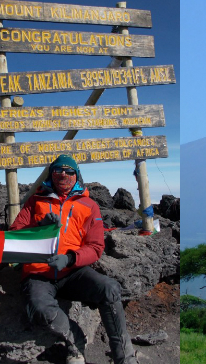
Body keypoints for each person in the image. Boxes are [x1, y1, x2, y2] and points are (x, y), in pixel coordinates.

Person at [8, 154, 137, 364]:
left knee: (110, 289)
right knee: (40, 310)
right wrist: (39, 225)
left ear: (77, 175)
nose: (64, 175)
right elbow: (15, 234)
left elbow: (96, 247)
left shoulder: (88, 205)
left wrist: (69, 259)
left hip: (73, 271)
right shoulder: (35, 201)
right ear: (51, 174)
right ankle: (75, 339)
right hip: (38, 273)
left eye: (69, 171)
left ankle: (125, 358)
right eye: (58, 170)